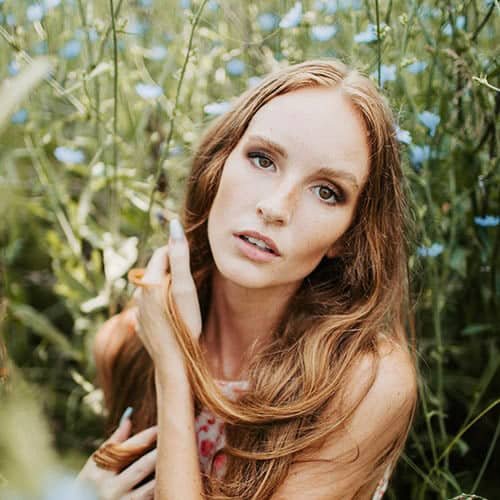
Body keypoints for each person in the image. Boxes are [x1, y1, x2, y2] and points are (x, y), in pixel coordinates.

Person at [77, 58, 418, 499]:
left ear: (347, 236)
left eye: (326, 192)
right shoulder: (129, 341)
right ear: (218, 164)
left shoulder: (366, 383)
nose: (275, 207)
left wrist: (175, 368)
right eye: (262, 159)